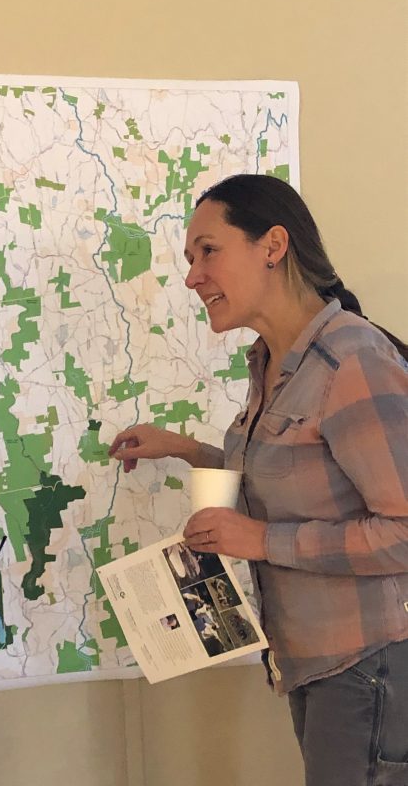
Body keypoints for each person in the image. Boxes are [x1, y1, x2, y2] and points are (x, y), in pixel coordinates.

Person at [108, 174, 408, 786]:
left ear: (273, 245)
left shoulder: (352, 358)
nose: (193, 276)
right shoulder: (273, 361)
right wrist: (189, 450)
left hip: (370, 665)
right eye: (190, 259)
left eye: (208, 251)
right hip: (313, 665)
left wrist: (261, 540)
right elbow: (294, 476)